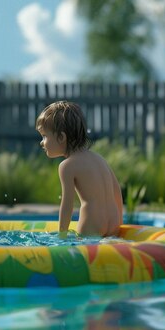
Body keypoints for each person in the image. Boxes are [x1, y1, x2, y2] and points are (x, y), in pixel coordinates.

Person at [36, 101, 123, 237]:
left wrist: (62, 235)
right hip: (114, 223)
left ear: (61, 137)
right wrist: (119, 222)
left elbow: (67, 204)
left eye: (45, 136)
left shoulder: (67, 166)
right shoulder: (99, 158)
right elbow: (117, 191)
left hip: (91, 224)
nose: (42, 142)